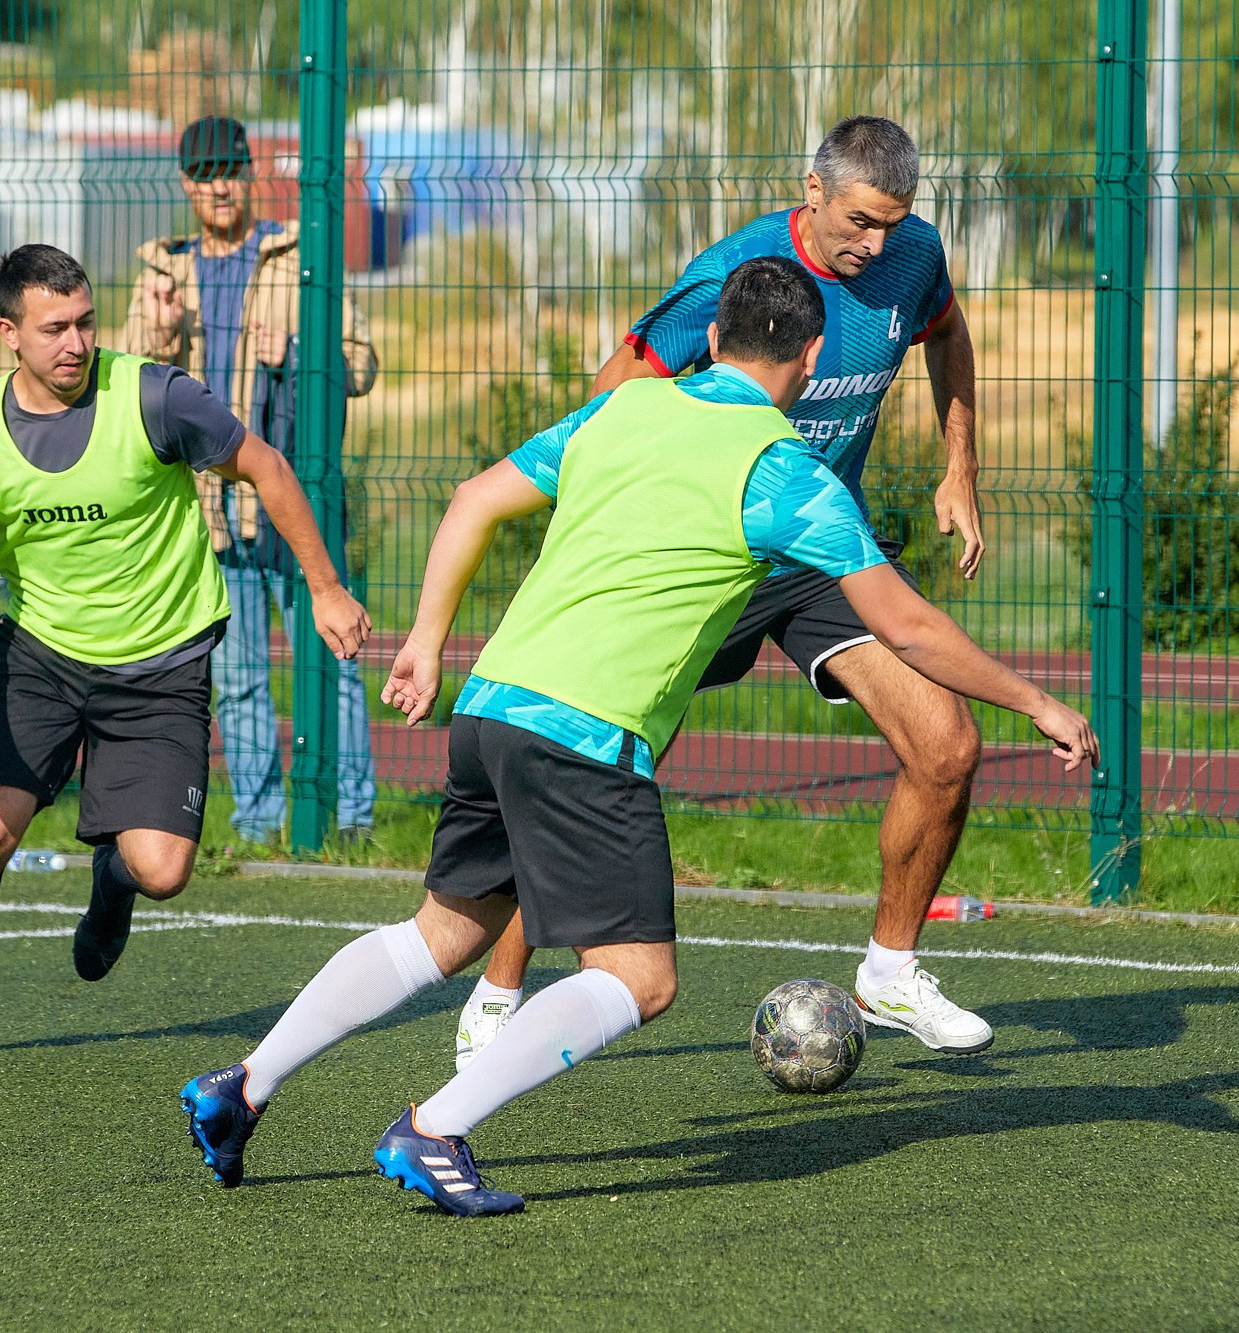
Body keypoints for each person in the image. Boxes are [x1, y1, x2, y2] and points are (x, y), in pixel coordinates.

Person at [179, 257, 1095, 1216]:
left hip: (491, 706)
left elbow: (471, 500)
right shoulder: (787, 473)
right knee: (638, 979)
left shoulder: (621, 409)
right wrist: (1034, 702)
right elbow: (907, 627)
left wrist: (427, 643)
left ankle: (243, 1084)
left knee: (440, 933)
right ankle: (436, 1128)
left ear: (710, 338)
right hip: (585, 735)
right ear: (815, 356)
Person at [457, 115, 998, 1066]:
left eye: (893, 222)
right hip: (706, 551)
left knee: (946, 741)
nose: (875, 244)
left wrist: (962, 469)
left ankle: (889, 970)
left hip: (817, 543)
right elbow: (615, 386)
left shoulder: (913, 257)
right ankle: (501, 987)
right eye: (861, 222)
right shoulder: (735, 279)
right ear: (813, 189)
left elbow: (947, 334)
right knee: (579, 750)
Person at [0, 245, 368, 1064]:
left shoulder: (156, 395)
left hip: (162, 662)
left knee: (163, 868)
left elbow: (267, 467)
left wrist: (324, 587)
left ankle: (111, 882)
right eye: (52, 328)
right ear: (9, 333)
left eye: (85, 322)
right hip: (42, 658)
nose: (74, 343)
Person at [124, 115, 382, 846]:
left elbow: (360, 364)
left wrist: (297, 350)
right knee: (236, 680)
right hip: (209, 511)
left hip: (295, 503)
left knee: (331, 666)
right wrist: (162, 339)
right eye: (204, 174)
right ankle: (260, 821)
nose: (219, 187)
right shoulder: (162, 275)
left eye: (230, 170)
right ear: (185, 183)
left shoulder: (297, 257)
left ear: (249, 173)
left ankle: (351, 820)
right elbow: (126, 381)